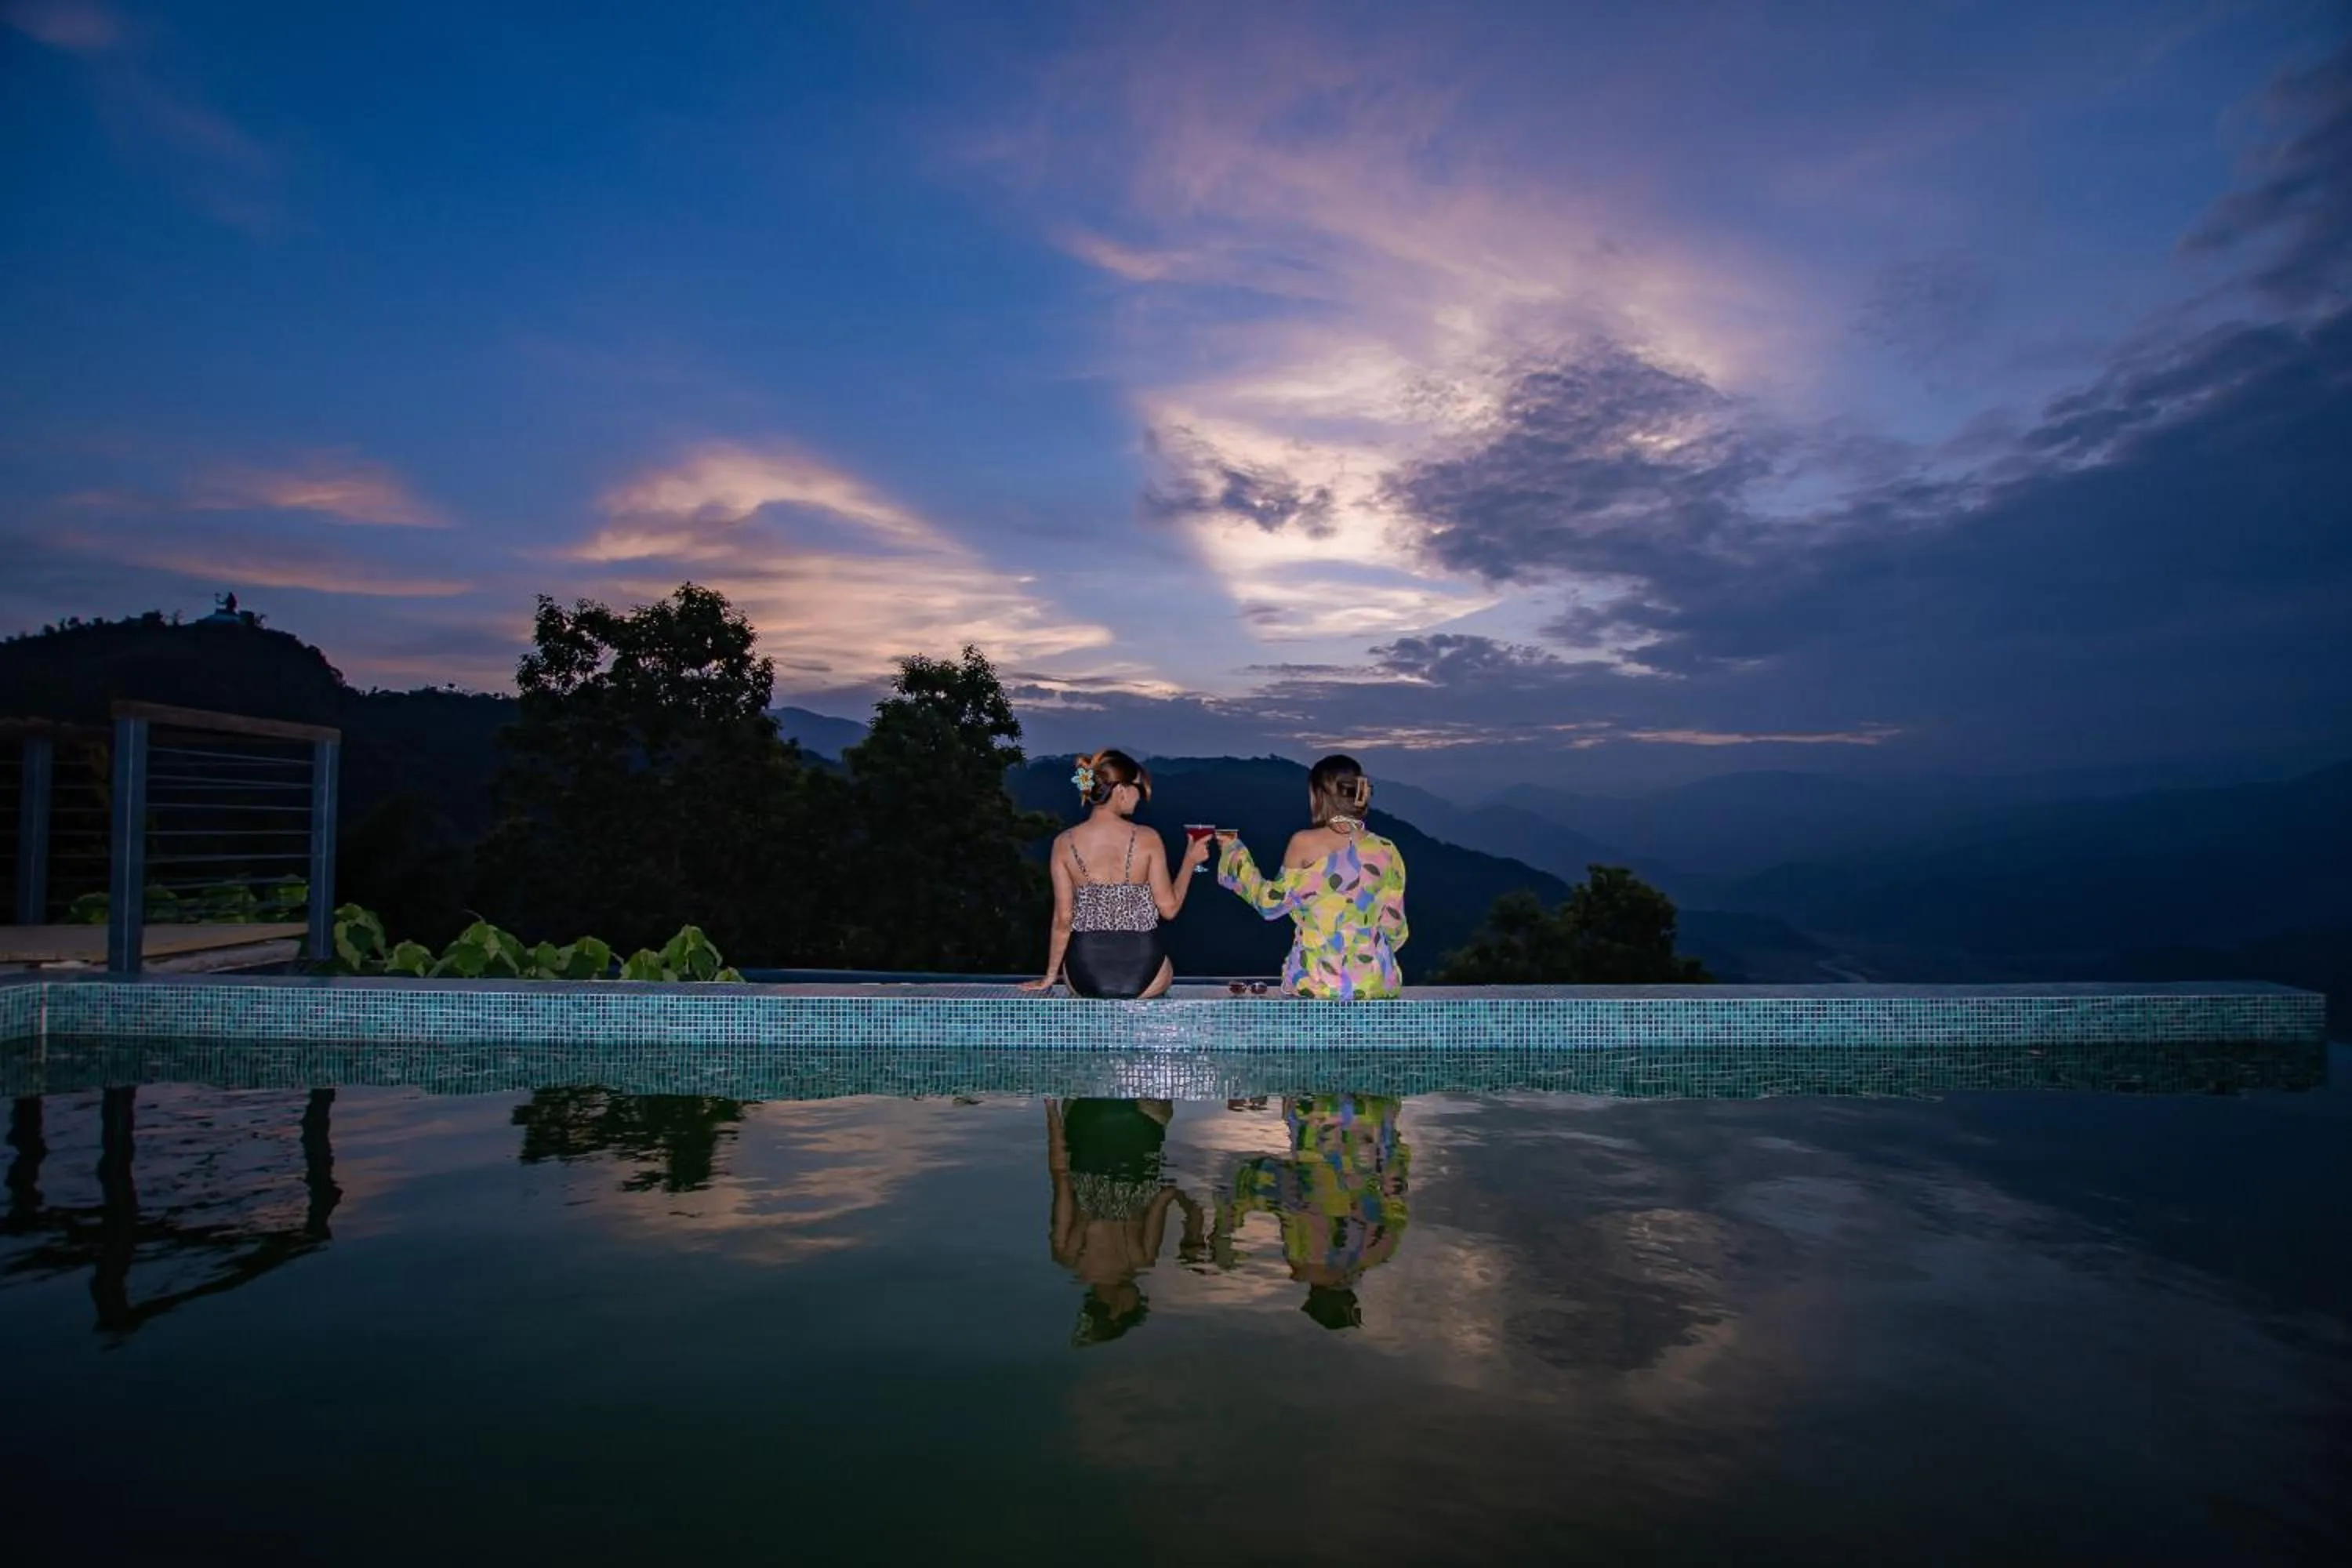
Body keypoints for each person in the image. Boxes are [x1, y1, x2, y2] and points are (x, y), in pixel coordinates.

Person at [1214, 753, 1409, 999]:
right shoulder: (1387, 850)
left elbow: (1270, 905)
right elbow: (1395, 927)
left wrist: (1233, 852)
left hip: (1316, 984)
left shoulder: (1304, 843)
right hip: (1376, 984)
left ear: (1318, 796)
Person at [1023, 749, 1211, 999]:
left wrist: (1049, 976)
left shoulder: (1064, 843)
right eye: (1138, 787)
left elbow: (1063, 919)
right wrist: (1190, 861)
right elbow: (1169, 909)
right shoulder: (1148, 839)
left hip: (1084, 974)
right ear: (1121, 790)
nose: (1140, 796)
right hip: (1146, 971)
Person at [1213, 1094, 1410, 1330]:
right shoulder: (1308, 1255)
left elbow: (1395, 1184)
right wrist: (1224, 1228)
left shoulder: (1378, 1251)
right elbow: (1280, 1190)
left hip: (1365, 1115)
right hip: (1318, 1117)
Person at [1046, 1098, 1203, 1347]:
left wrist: (1193, 1221)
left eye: (1137, 1303)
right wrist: (1051, 1109)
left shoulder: (1142, 1258)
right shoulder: (1067, 1255)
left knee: (1157, 1102)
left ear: (1118, 1309)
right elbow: (1060, 1174)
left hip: (1142, 1123)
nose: (1140, 1295)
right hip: (1084, 1120)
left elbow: (1166, 1195)